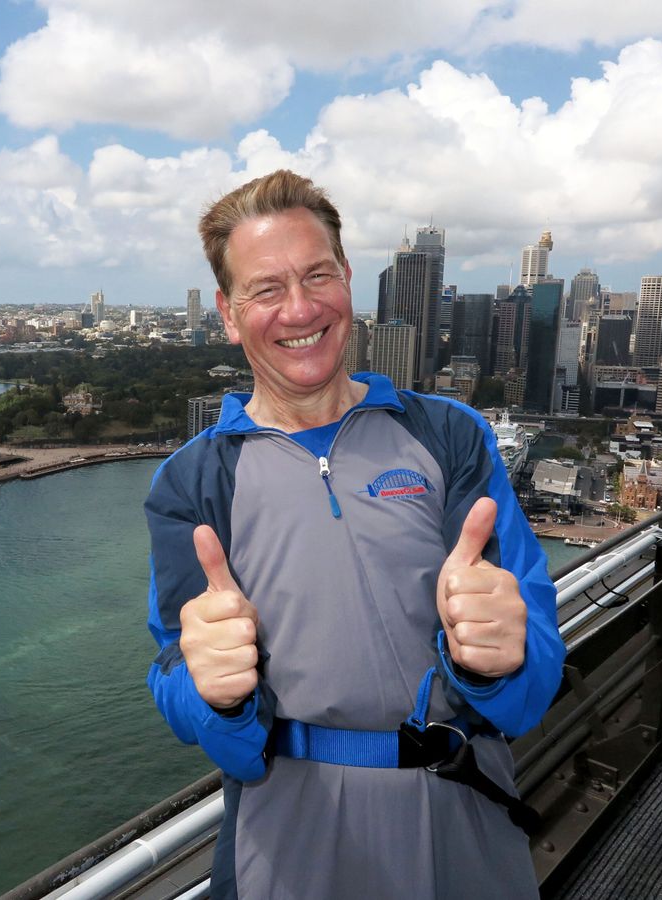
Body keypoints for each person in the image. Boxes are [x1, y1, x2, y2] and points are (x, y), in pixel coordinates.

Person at [144, 170, 565, 898]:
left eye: (317, 276)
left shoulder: (448, 435)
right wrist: (209, 692)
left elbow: (531, 690)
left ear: (347, 280)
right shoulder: (195, 480)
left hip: (461, 800)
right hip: (289, 824)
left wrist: (503, 657)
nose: (300, 308)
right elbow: (188, 696)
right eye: (267, 288)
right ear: (228, 312)